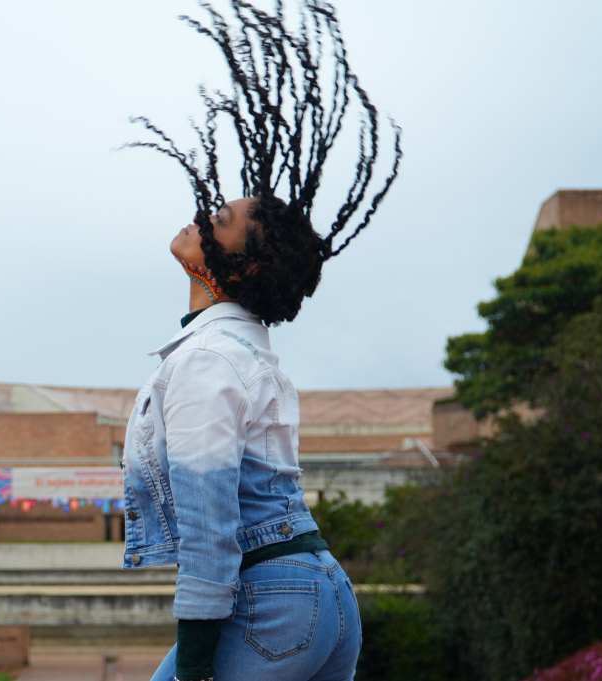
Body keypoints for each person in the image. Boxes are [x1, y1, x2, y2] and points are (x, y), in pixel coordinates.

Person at [120, 2, 402, 680]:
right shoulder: (242, 351)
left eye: (218, 219)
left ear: (239, 269)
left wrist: (193, 671)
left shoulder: (208, 361)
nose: (200, 215)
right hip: (316, 591)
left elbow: (213, 530)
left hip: (269, 599)